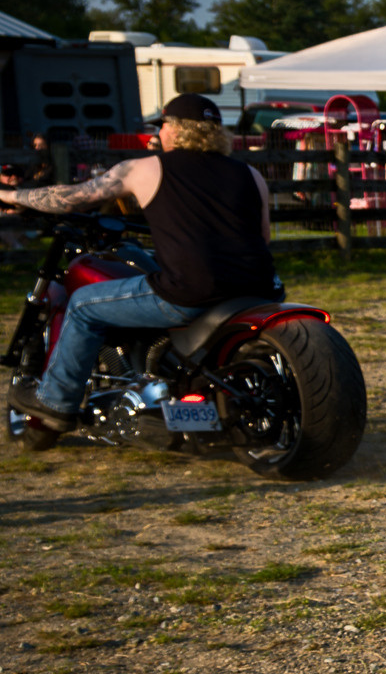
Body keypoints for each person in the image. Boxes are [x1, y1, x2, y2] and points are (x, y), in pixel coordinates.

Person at [1, 93, 277, 445]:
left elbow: (71, 197)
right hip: (258, 290)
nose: (159, 134)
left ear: (176, 131)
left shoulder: (146, 168)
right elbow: (263, 237)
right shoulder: (251, 174)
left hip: (191, 292)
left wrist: (11, 197)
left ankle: (56, 403)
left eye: (162, 126)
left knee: (84, 304)